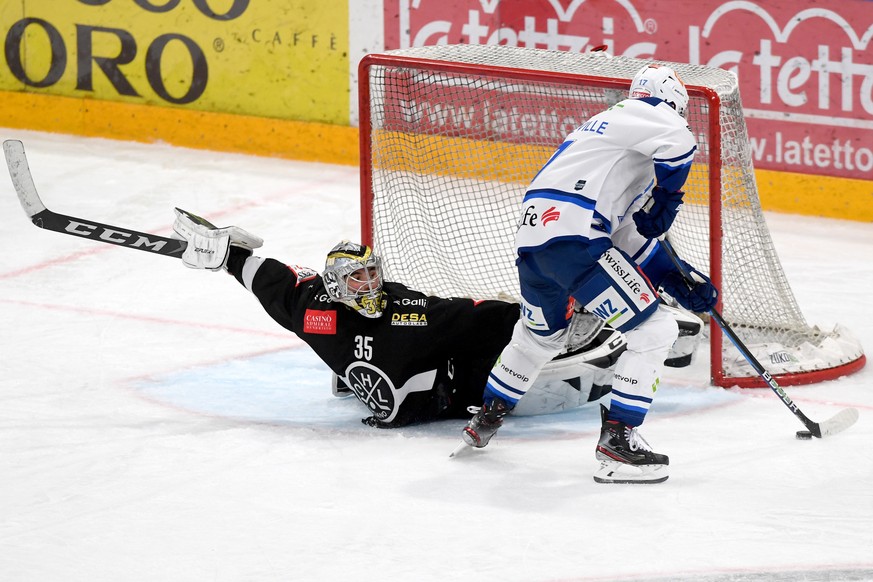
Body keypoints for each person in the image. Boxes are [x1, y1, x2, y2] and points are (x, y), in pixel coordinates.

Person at [459, 63, 719, 484]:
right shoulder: (649, 113)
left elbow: (629, 235)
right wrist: (668, 201)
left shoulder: (606, 139)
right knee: (653, 332)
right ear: (671, 103)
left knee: (539, 337)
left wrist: (676, 278)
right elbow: (680, 143)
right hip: (578, 239)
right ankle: (619, 443)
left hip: (536, 245)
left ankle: (486, 418)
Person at [170, 208, 631, 428]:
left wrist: (546, 314)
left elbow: (475, 316)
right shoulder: (315, 313)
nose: (368, 284)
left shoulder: (411, 313)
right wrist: (228, 258)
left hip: (458, 386)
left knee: (498, 331)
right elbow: (275, 285)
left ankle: (568, 332)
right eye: (356, 278)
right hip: (427, 399)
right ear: (333, 287)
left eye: (372, 272)